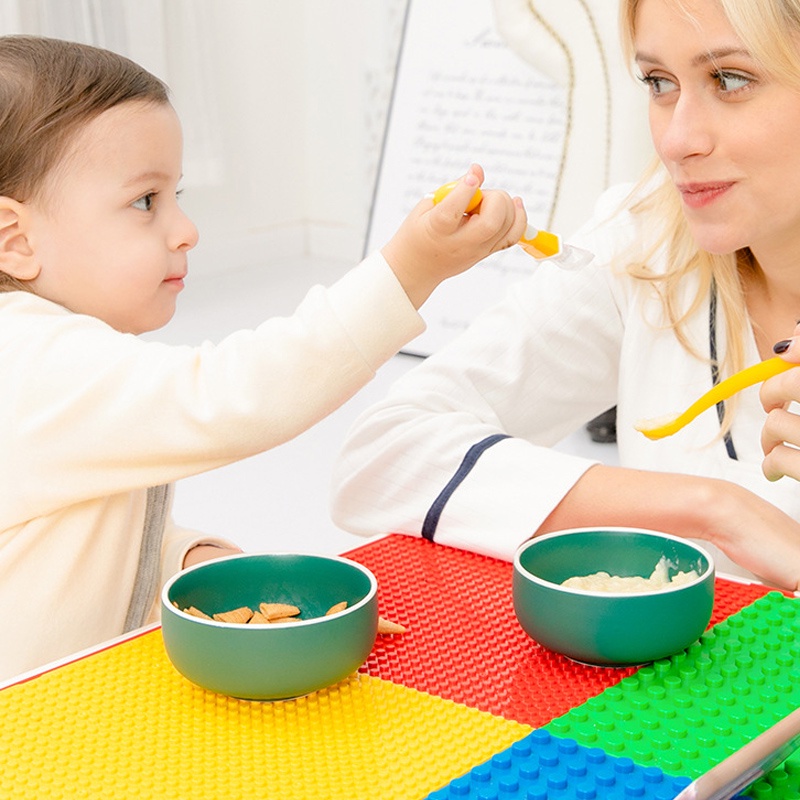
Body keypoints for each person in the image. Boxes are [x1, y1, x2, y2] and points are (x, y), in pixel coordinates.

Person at [0, 35, 527, 680]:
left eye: (177, 195)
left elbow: (71, 526)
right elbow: (230, 396)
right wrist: (410, 269)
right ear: (15, 240)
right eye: (145, 201)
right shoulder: (33, 364)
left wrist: (187, 557)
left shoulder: (50, 363)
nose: (186, 228)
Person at [331, 0, 800, 592]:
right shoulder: (642, 249)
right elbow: (382, 459)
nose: (677, 140)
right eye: (659, 83)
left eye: (730, 80)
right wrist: (717, 509)